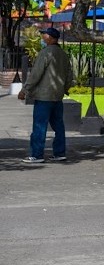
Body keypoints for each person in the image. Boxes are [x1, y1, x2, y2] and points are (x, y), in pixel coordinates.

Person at [18, 27, 74, 163]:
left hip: (44, 96)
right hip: (57, 96)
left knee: (39, 126)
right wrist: (64, 89)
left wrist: (25, 90)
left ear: (51, 38)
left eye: (45, 35)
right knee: (58, 126)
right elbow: (69, 76)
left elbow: (36, 74)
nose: (43, 37)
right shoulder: (63, 54)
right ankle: (59, 153)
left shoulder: (45, 53)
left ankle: (37, 155)